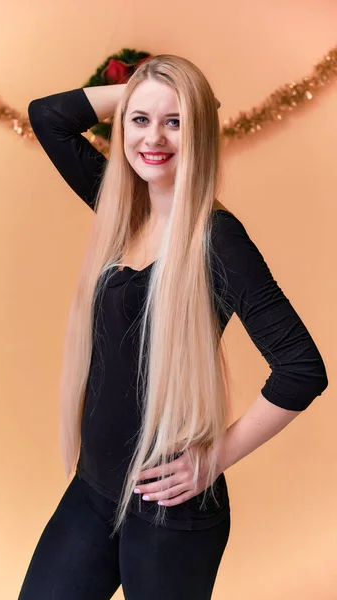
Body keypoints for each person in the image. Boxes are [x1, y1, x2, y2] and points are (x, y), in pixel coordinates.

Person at [18, 54, 328, 600]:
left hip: (168, 511)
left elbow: (302, 368)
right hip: (93, 489)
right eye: (140, 120)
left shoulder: (218, 240)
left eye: (176, 122)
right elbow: (48, 116)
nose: (153, 138)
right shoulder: (121, 208)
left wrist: (214, 460)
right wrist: (149, 89)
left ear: (199, 132)